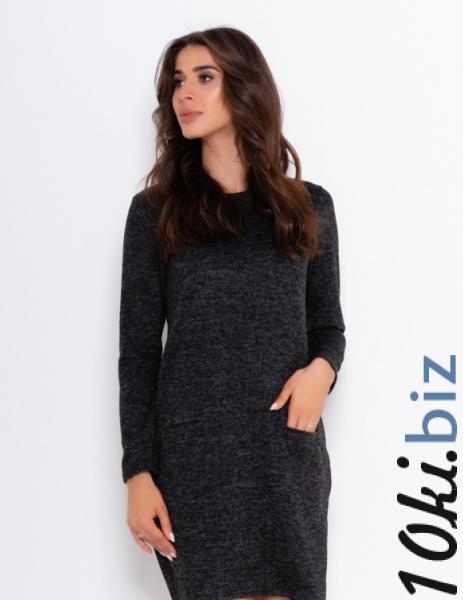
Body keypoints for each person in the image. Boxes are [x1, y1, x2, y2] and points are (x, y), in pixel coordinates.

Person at [118, 26, 346, 600]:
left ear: (245, 87)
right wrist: (137, 473)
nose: (184, 94)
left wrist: (322, 371)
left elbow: (327, 326)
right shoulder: (155, 213)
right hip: (195, 458)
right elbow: (139, 353)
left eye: (205, 77)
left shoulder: (308, 207)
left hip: (284, 453)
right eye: (177, 81)